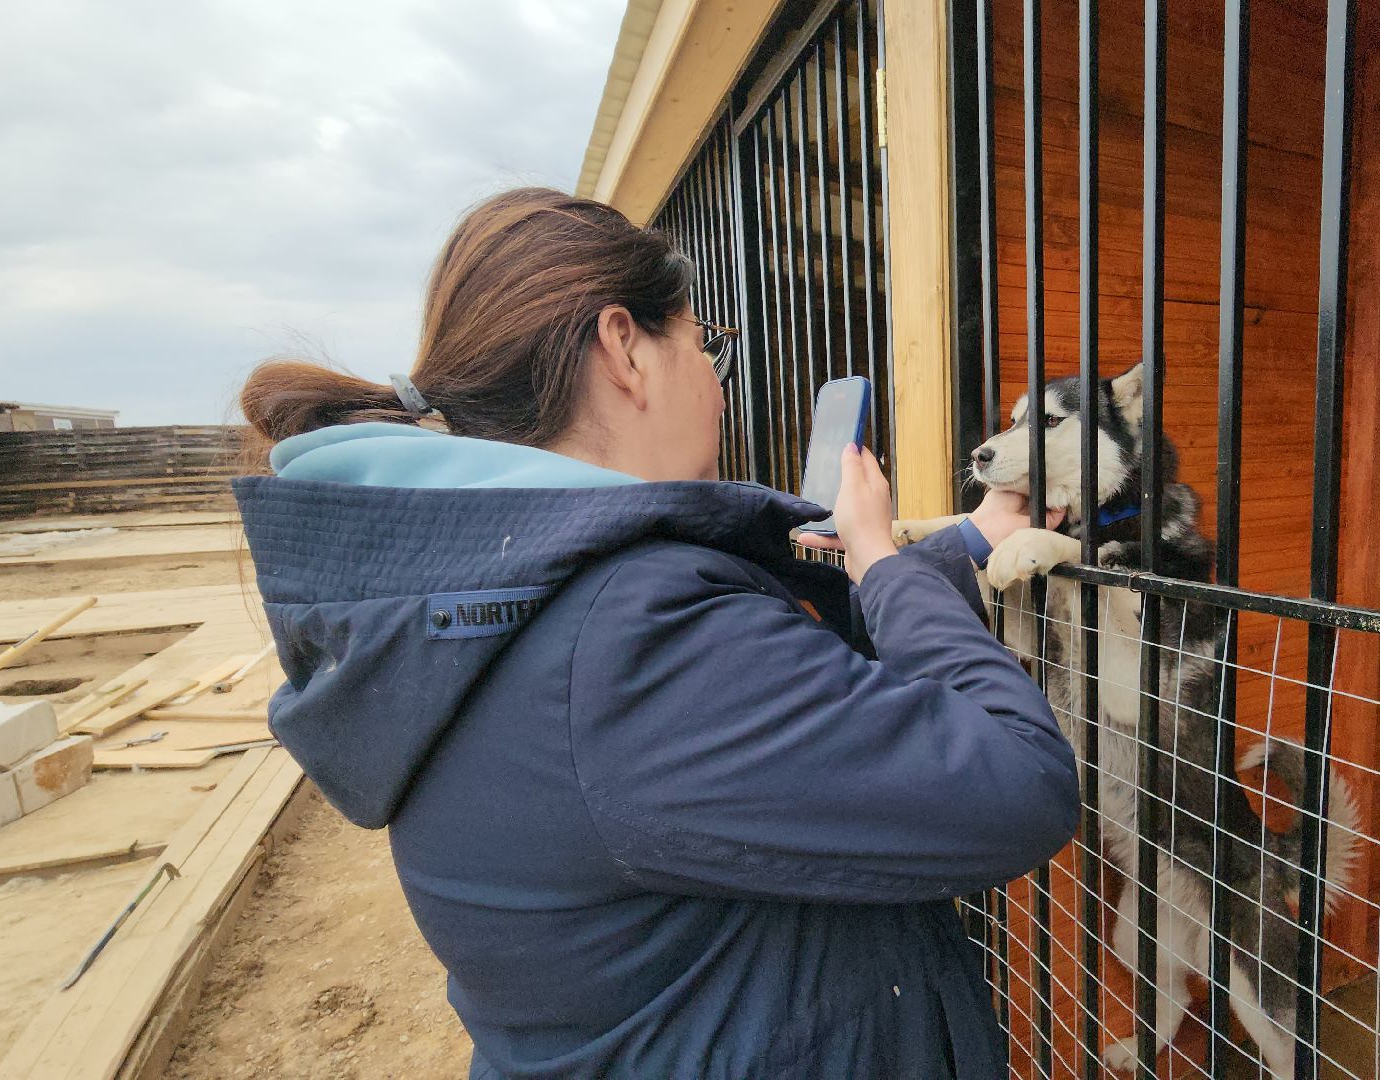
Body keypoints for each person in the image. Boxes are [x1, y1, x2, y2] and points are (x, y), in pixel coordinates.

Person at [232, 187, 1079, 1079]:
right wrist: (882, 563)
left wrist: (964, 543)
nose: (718, 385)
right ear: (624, 349)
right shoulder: (634, 643)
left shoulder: (496, 598)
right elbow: (1015, 776)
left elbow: (794, 678)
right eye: (707, 346)